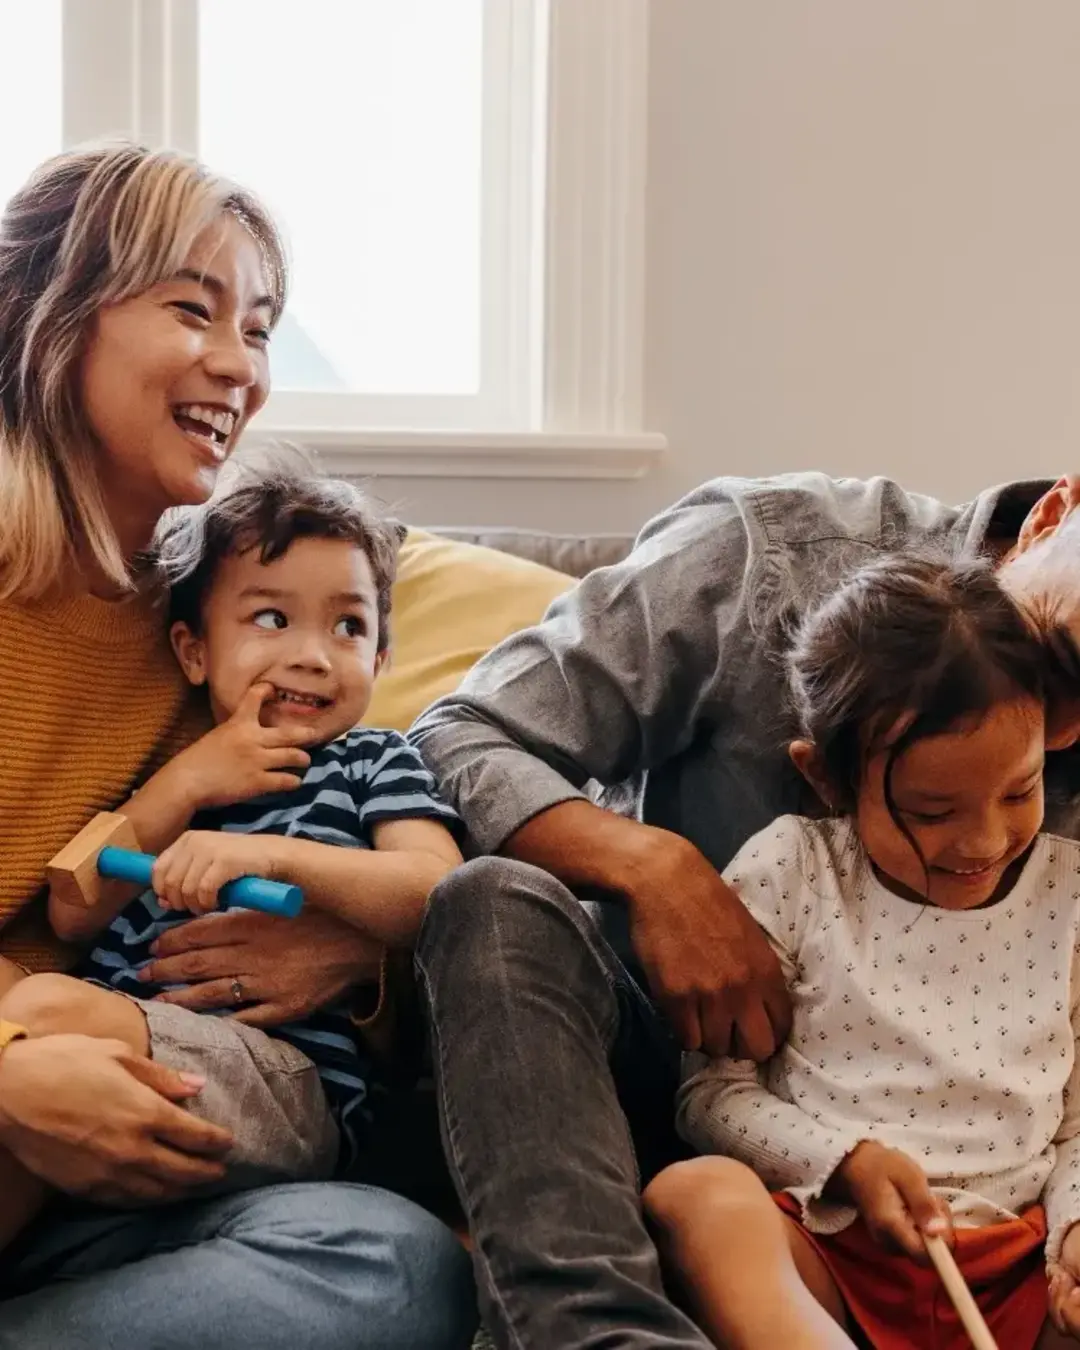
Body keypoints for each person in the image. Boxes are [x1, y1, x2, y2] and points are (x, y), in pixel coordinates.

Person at [409, 471, 1080, 1347]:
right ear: (1055, 515)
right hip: (677, 1089)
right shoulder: (763, 552)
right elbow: (456, 734)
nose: (1066, 735)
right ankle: (596, 1332)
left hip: (1005, 1208)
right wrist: (654, 871)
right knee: (492, 905)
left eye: (1021, 787)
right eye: (1069, 662)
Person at [0, 143, 474, 1350]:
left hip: (123, 1134)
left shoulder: (201, 639)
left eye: (258, 329)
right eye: (191, 309)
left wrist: (349, 957)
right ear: (53, 317)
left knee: (394, 1266)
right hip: (29, 1078)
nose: (239, 366)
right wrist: (8, 1069)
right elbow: (74, 902)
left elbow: (393, 894)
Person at [0, 460, 467, 1262]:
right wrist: (185, 784)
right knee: (31, 1031)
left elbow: (438, 892)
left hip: (284, 1074)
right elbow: (73, 908)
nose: (314, 655)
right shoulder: (176, 769)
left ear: (382, 660)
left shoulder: (372, 760)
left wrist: (274, 857)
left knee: (43, 1011)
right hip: (125, 1044)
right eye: (272, 618)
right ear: (193, 651)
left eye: (349, 627)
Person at [642, 553, 1080, 1350]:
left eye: (1020, 791)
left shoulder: (1072, 891)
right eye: (932, 811)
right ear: (827, 780)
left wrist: (1075, 1231)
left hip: (1020, 1263)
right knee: (693, 1197)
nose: (984, 841)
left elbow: (1077, 1128)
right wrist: (845, 1161)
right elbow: (709, 1097)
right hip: (830, 1251)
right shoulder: (793, 870)